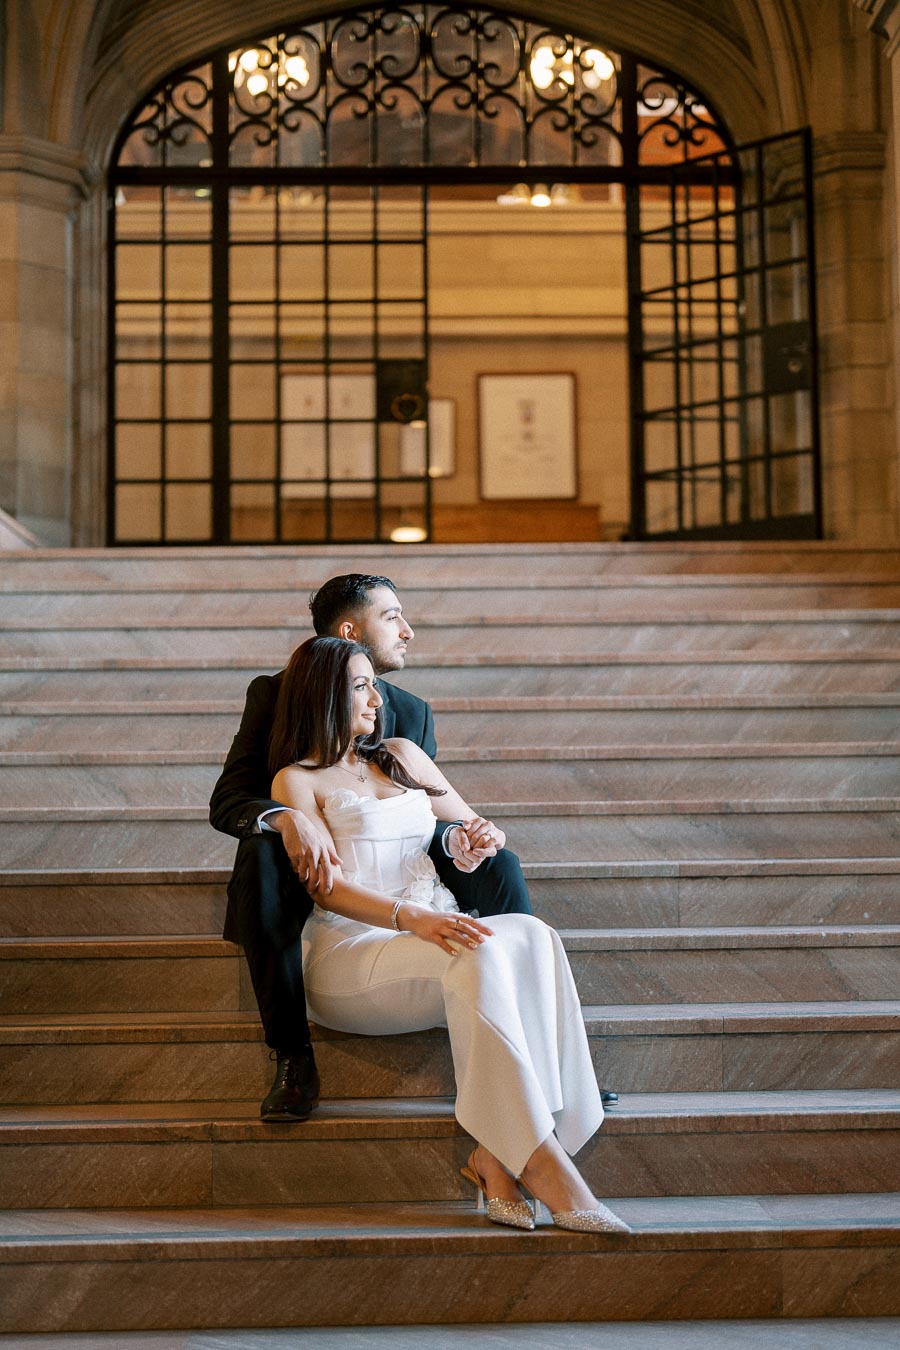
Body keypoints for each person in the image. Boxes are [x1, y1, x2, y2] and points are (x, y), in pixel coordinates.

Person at [268, 634, 629, 1234]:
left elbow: (471, 827)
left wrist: (475, 844)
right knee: (475, 952)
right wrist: (414, 919)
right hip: (354, 952)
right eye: (360, 686)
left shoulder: (405, 753)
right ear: (323, 694)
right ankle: (545, 1167)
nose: (376, 699)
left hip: (432, 931)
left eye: (373, 685)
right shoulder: (297, 782)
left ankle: (496, 1154)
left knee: (533, 935)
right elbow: (325, 890)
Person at [209, 573, 540, 1122]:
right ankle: (293, 1057)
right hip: (313, 867)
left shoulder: (409, 714)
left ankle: (533, 1048)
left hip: (399, 861)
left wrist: (467, 838)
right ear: (349, 632)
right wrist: (289, 816)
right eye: (392, 617)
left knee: (502, 863)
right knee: (263, 854)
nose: (407, 631)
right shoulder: (276, 694)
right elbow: (229, 802)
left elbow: (419, 817)